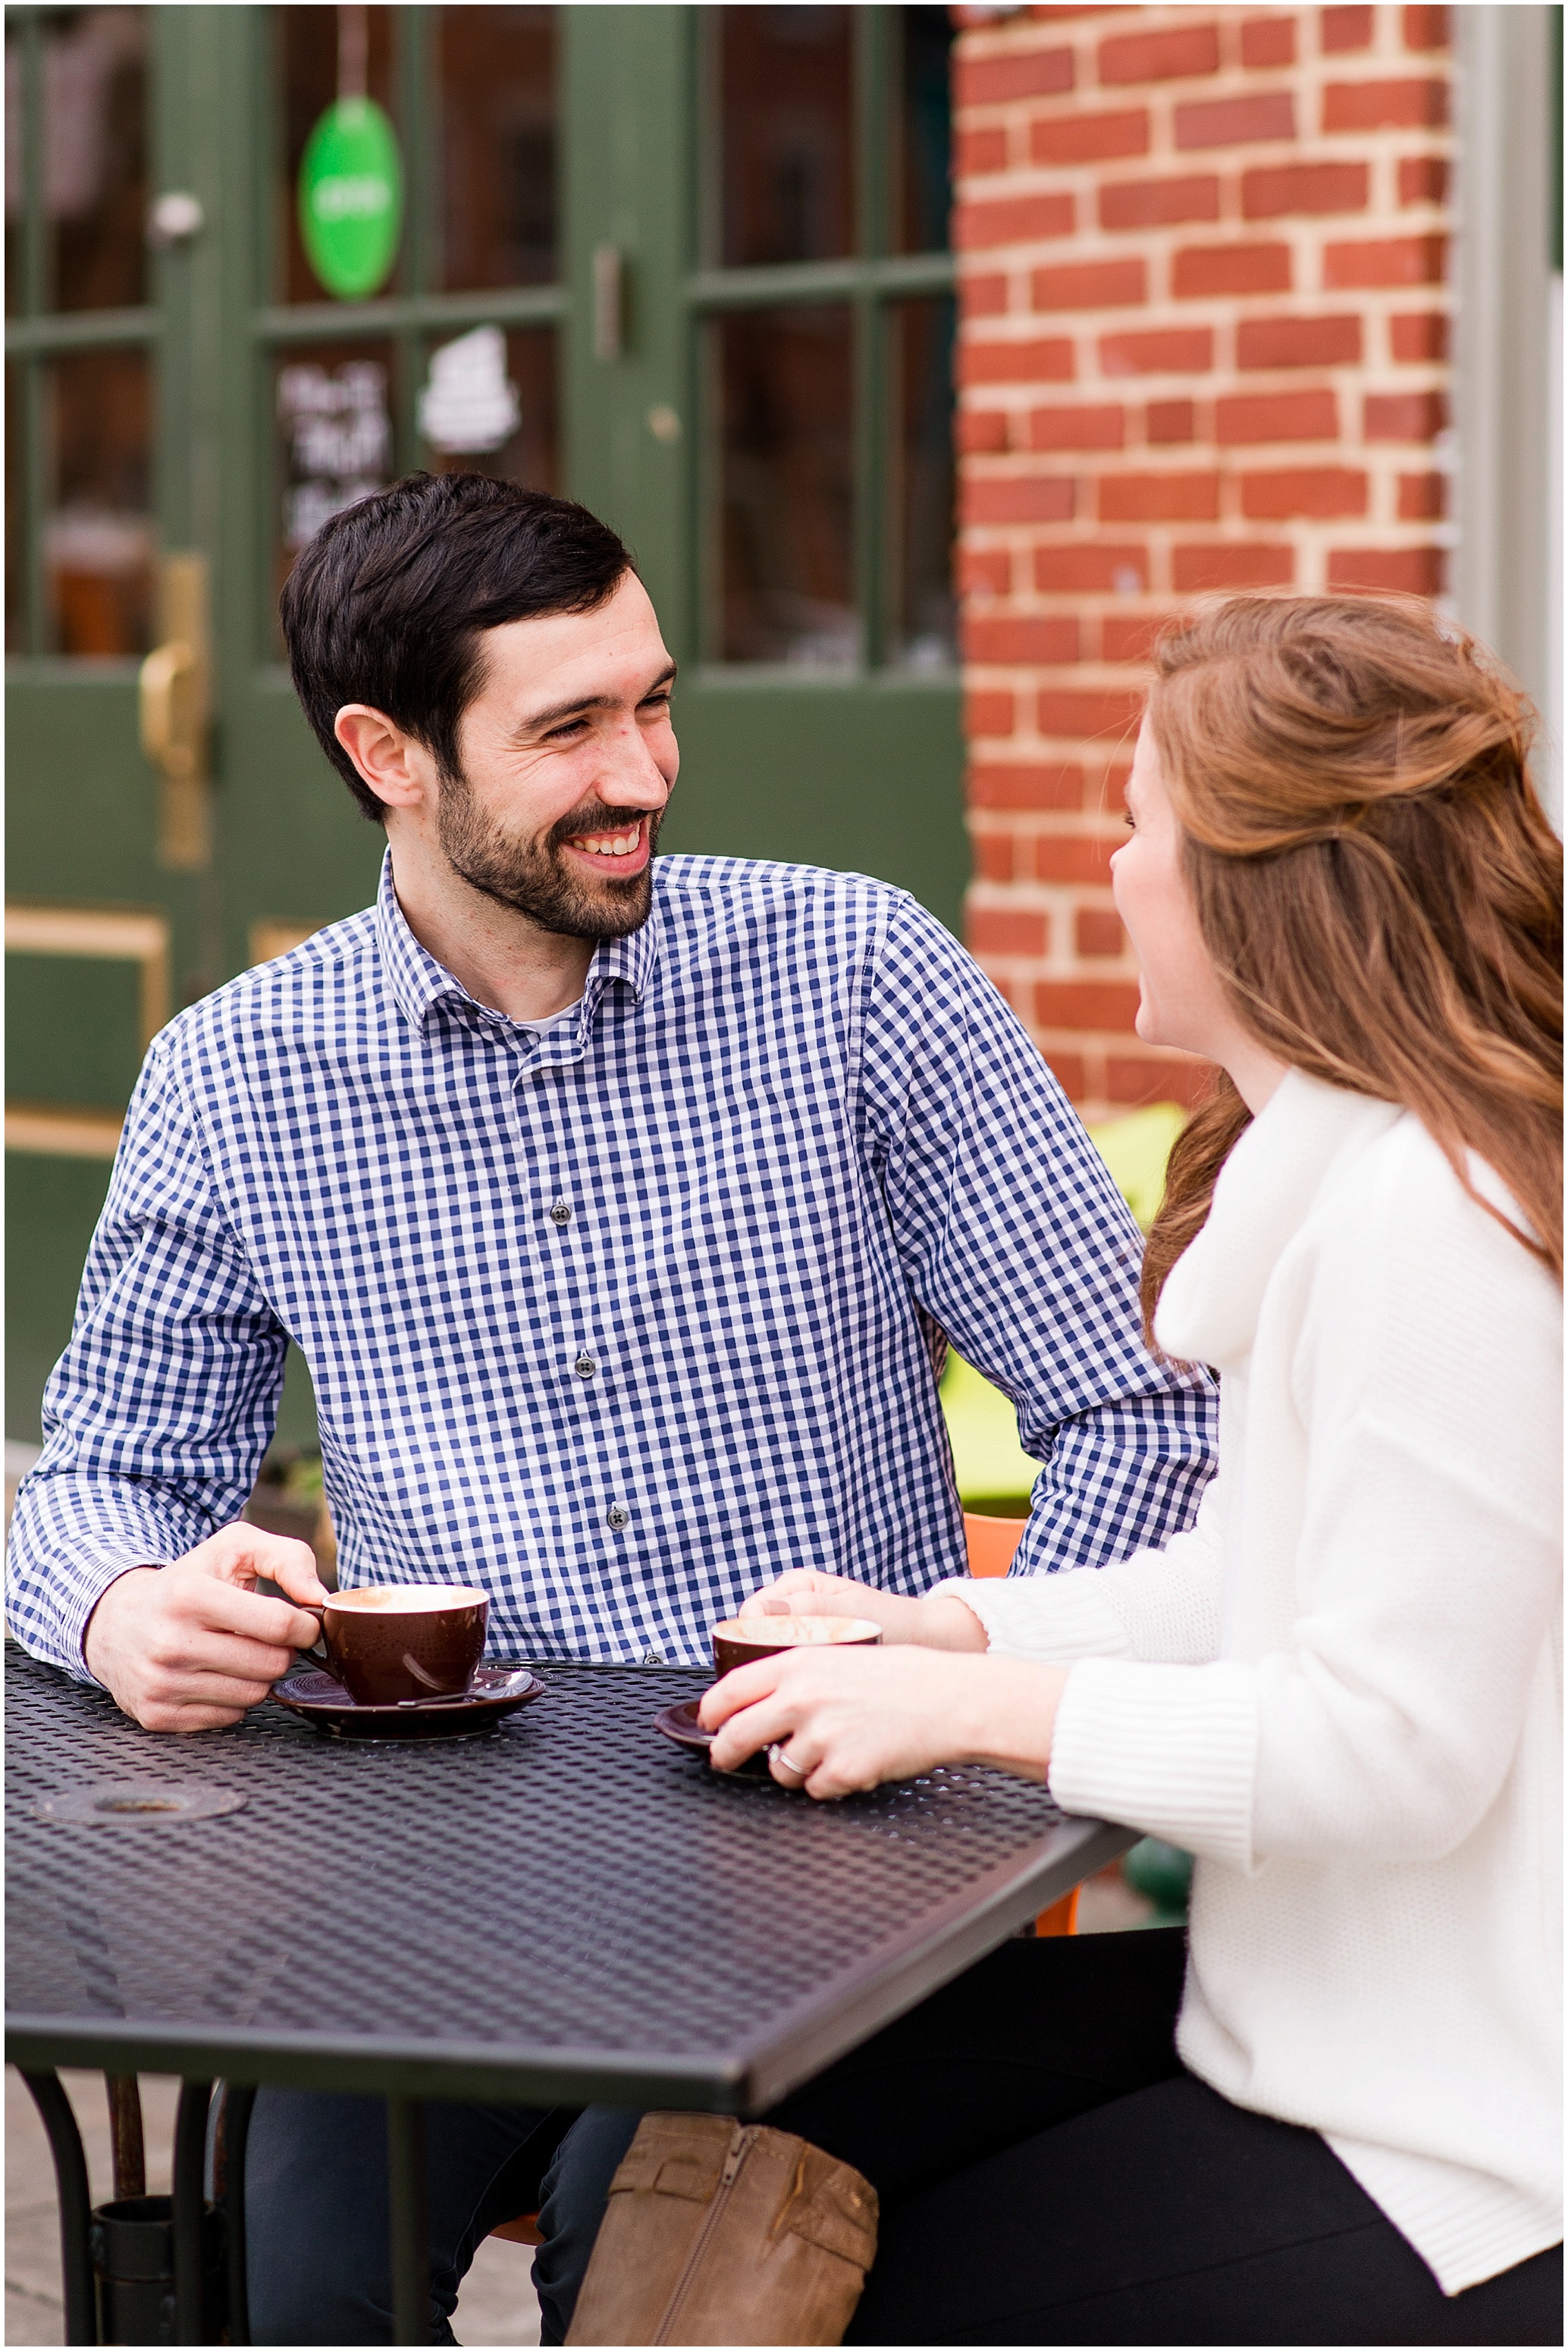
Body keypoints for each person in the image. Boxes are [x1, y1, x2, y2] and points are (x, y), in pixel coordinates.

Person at [5, 470, 1215, 2343]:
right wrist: (114, 1602)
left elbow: (1140, 1414)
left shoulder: (855, 974)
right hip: (432, 1858)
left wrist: (980, 1709)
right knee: (280, 2265)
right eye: (568, 727)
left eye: (652, 701)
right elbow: (97, 1476)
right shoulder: (232, 1077)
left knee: (645, 2248)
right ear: (384, 753)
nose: (643, 769)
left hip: (821, 1835)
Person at [535, 594, 1563, 2347]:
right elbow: (1246, 1571)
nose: (1109, 863)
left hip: (1466, 2127)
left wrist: (973, 1724)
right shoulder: (1345, 1175)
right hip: (1302, 2011)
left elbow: (1391, 1757)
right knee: (745, 2117)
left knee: (895, 2288)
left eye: (1138, 823)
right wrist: (949, 1638)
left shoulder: (1429, 1225)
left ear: (1257, 886)